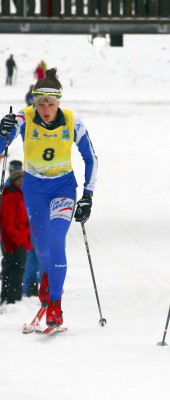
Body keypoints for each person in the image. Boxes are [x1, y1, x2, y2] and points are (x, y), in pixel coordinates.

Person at [0, 68, 98, 327]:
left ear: (59, 102)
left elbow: (91, 158)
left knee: (56, 240)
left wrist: (88, 195)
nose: (45, 108)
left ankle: (55, 303)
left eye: (51, 103)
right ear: (34, 101)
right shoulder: (24, 117)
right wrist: (2, 131)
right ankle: (47, 279)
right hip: (33, 190)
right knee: (41, 246)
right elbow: (1, 148)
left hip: (63, 189)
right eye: (40, 102)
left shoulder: (71, 121)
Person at [0, 169, 32, 305]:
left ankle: (13, 297)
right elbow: (7, 221)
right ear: (15, 181)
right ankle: (11, 298)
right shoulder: (10, 196)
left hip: (20, 238)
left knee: (17, 268)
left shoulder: (19, 195)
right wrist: (16, 239)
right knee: (13, 268)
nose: (23, 183)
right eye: (21, 180)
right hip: (13, 240)